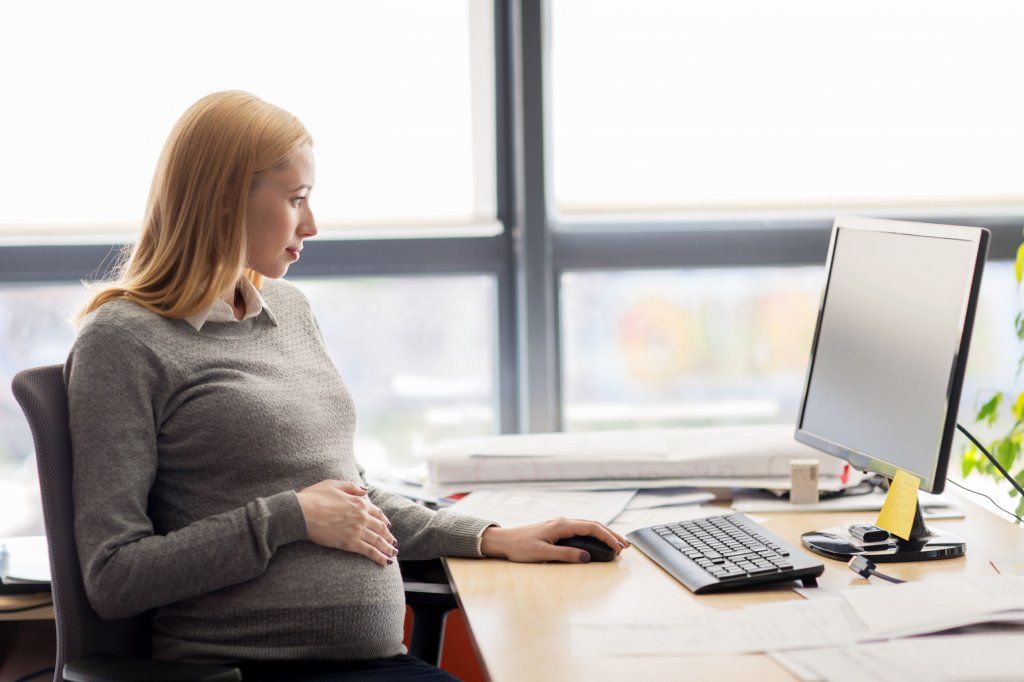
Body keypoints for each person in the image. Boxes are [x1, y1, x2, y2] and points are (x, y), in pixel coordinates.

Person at [64, 90, 630, 681]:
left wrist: (493, 537)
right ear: (225, 199)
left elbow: (349, 500)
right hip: (248, 671)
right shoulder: (124, 340)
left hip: (375, 663)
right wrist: (286, 517)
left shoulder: (287, 310)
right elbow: (114, 575)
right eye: (296, 199)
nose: (311, 223)